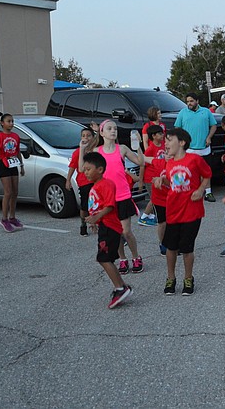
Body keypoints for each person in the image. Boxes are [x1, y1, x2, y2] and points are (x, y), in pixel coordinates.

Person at [154, 128, 212, 296]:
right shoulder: (169, 162)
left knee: (187, 249)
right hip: (173, 209)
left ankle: (188, 278)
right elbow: (172, 181)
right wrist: (161, 180)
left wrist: (201, 189)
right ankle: (170, 278)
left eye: (169, 140)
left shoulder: (194, 159)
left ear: (182, 142)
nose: (165, 143)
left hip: (192, 211)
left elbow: (207, 175)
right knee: (170, 247)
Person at [81, 152, 132, 309]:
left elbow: (109, 206)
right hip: (104, 226)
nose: (85, 172)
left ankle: (119, 288)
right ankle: (122, 286)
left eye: (88, 169)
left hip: (110, 227)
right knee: (105, 259)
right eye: (84, 169)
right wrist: (95, 221)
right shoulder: (95, 187)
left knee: (103, 258)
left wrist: (97, 218)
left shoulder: (107, 184)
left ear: (100, 169)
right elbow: (96, 206)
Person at [96, 120, 145, 275]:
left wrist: (138, 146)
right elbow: (86, 169)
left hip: (123, 195)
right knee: (114, 232)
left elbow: (140, 162)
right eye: (109, 128)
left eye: (115, 128)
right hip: (107, 198)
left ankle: (136, 257)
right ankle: (122, 259)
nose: (113, 131)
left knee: (126, 231)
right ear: (102, 132)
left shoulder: (122, 149)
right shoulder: (97, 152)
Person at [175, 93, 218, 202]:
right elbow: (177, 128)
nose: (189, 103)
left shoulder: (206, 112)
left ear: (197, 101)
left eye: (191, 101)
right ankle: (192, 192)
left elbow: (213, 125)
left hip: (204, 148)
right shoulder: (183, 113)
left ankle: (208, 193)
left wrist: (209, 137)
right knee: (190, 173)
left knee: (206, 172)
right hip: (189, 149)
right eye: (188, 101)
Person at [0, 113, 25, 232]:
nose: (11, 123)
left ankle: (12, 216)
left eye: (12, 121)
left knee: (15, 192)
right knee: (8, 192)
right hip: (3, 164)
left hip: (13, 164)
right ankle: (4, 219)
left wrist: (21, 165)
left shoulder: (15, 136)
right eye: (9, 121)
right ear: (2, 123)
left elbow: (18, 151)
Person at [67, 126, 98, 236]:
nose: (86, 138)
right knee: (85, 205)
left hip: (95, 181)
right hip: (84, 182)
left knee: (96, 203)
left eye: (88, 136)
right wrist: (68, 180)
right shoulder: (78, 152)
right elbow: (72, 166)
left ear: (93, 137)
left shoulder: (95, 150)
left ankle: (95, 222)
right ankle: (83, 224)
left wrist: (98, 130)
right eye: (83, 136)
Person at [137, 124, 166, 227]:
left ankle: (152, 216)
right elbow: (143, 164)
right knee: (154, 198)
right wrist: (141, 180)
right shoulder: (150, 149)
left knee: (159, 196)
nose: (162, 135)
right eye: (160, 133)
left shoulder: (163, 145)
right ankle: (144, 216)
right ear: (153, 136)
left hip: (159, 177)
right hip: (150, 177)